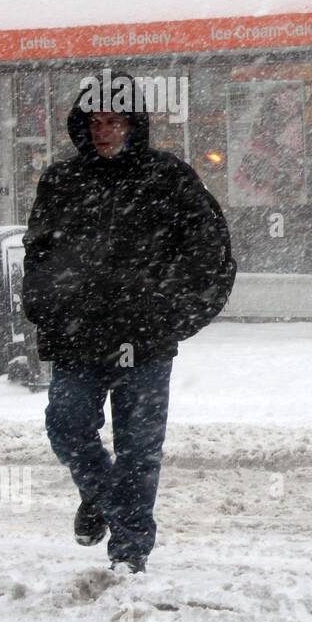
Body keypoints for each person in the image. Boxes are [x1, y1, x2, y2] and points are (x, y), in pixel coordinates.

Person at [22, 72, 236, 574]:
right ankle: (108, 503)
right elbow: (40, 255)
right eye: (95, 121)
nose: (104, 131)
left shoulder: (169, 178)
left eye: (114, 121)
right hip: (78, 338)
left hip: (145, 342)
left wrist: (174, 316)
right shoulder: (61, 180)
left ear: (134, 124)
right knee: (67, 427)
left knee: (140, 450)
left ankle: (130, 554)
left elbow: (211, 254)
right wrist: (46, 310)